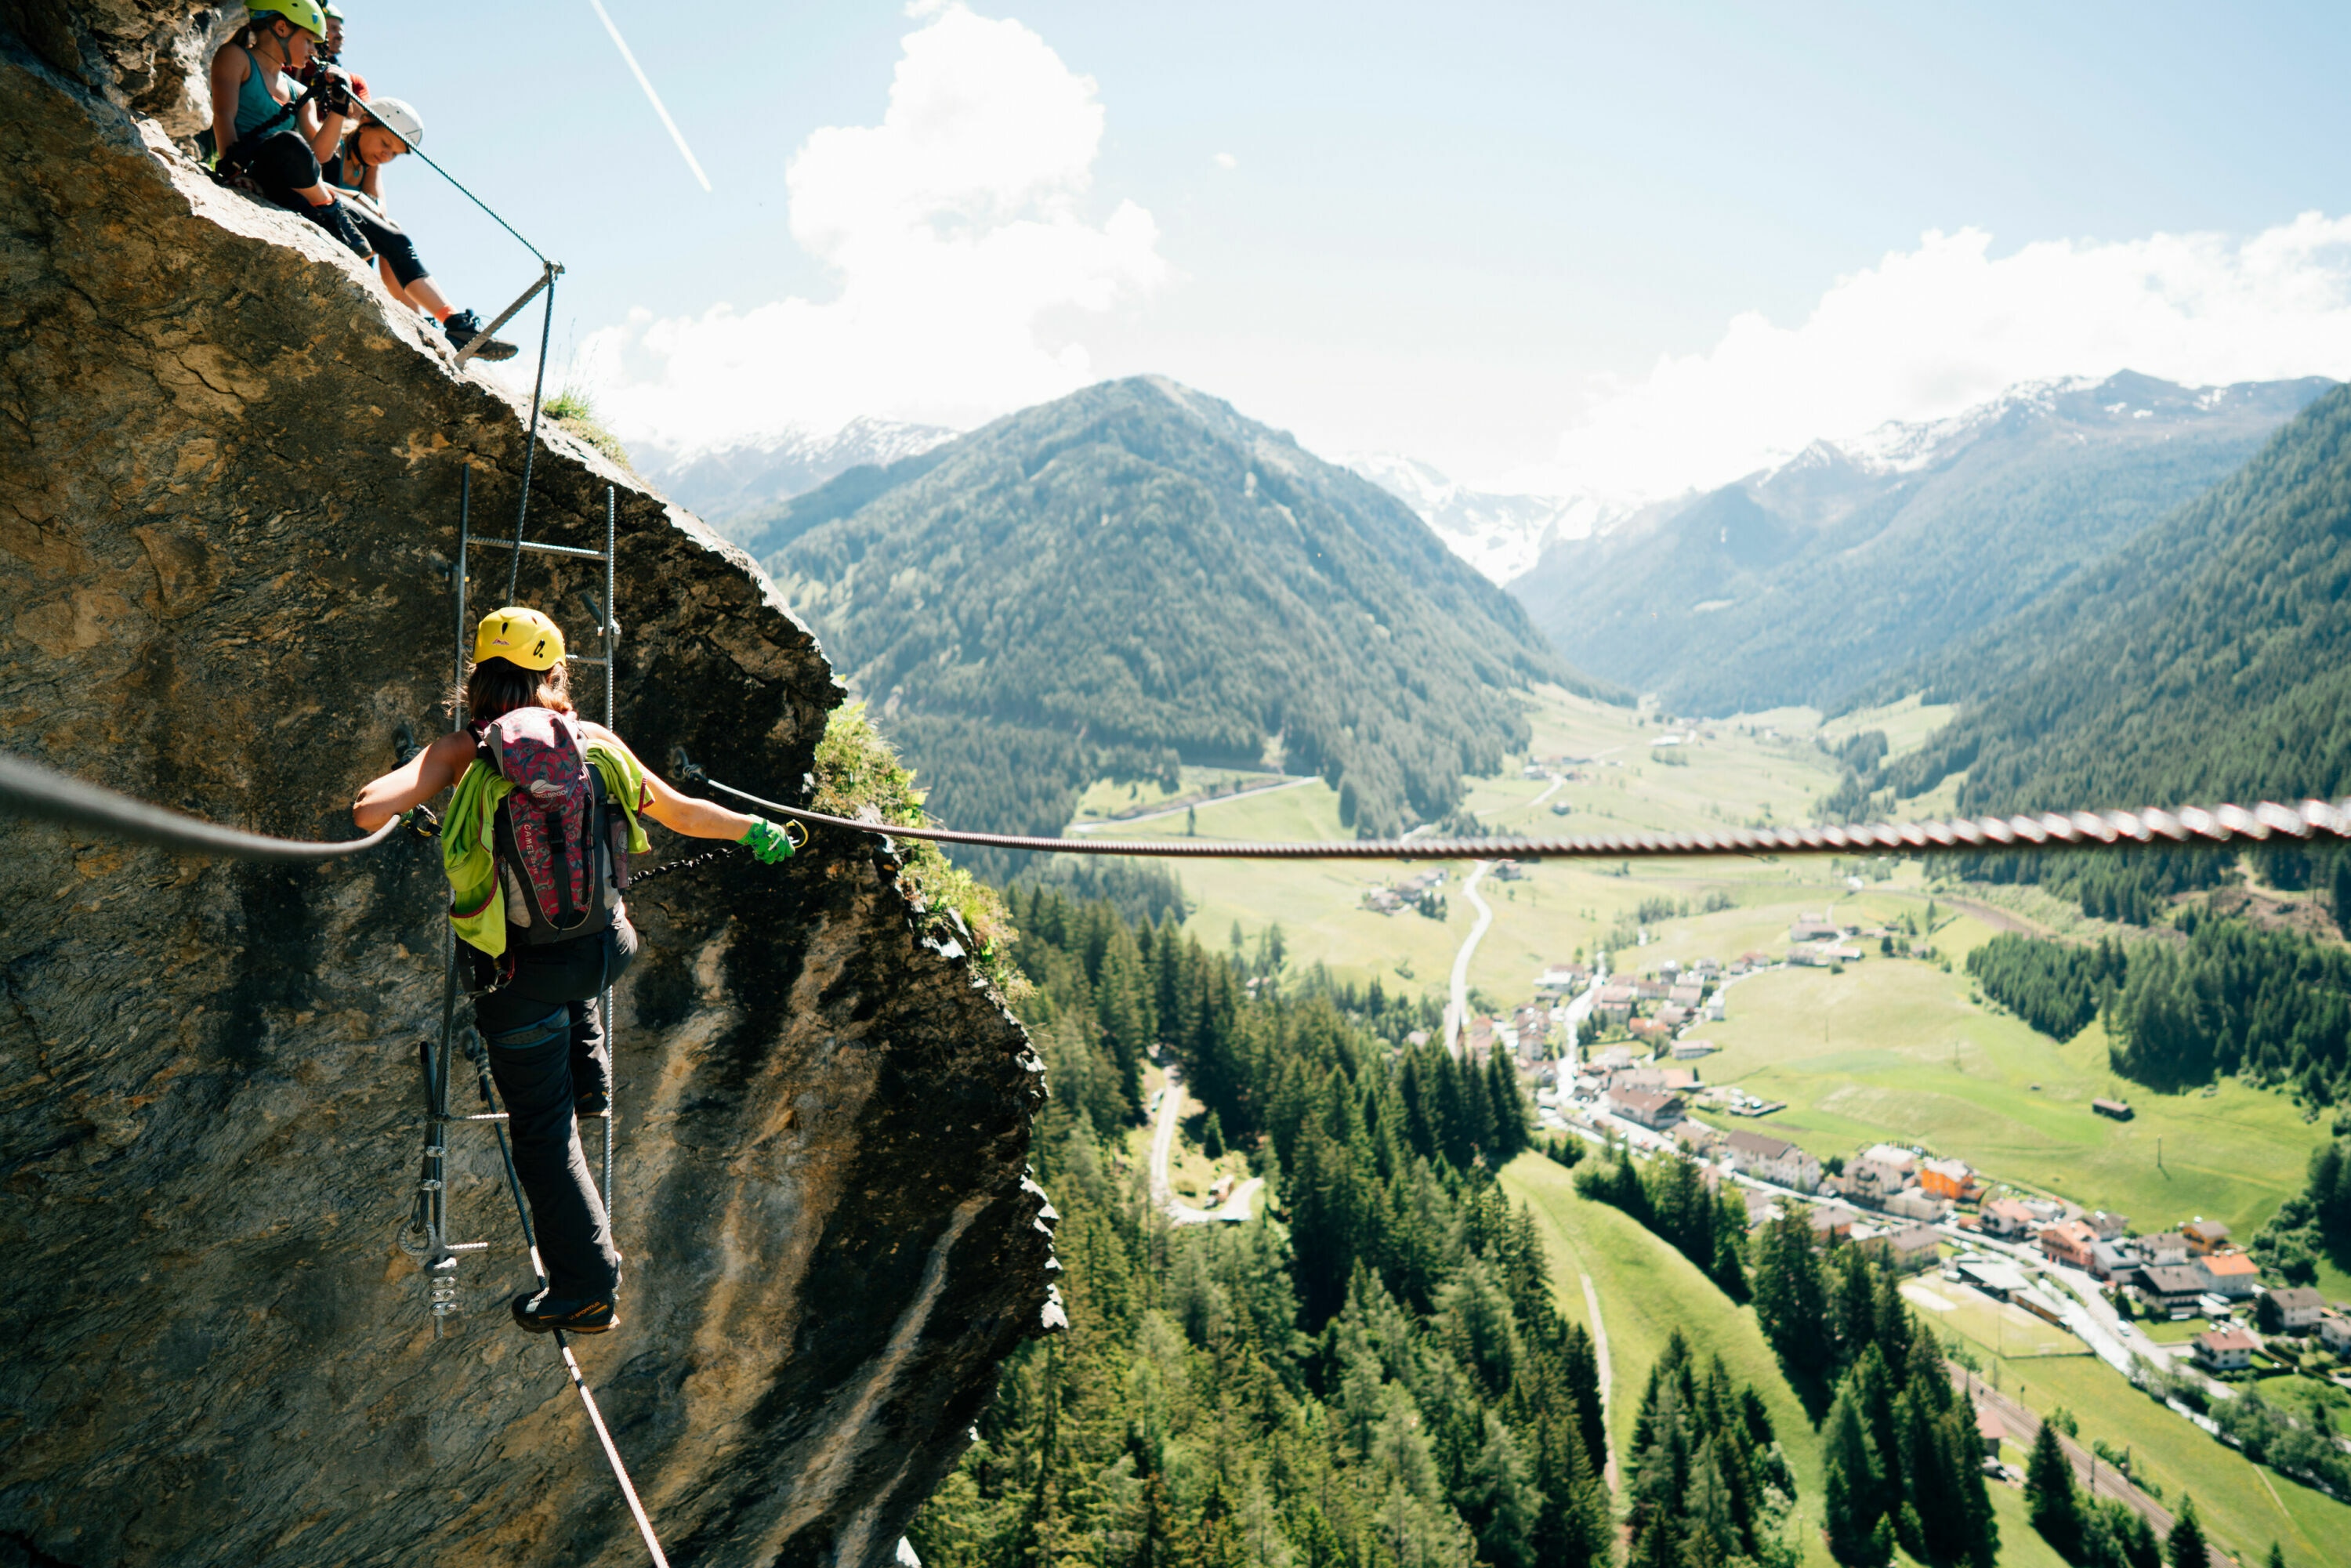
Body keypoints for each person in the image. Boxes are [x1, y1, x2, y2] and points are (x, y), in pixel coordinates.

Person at [353, 607, 799, 1334]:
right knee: (573, 970)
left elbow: (369, 810)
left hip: (520, 982)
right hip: (605, 953)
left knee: (541, 1132)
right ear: (553, 677)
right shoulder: (594, 744)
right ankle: (589, 1078)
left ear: (478, 681)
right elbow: (682, 812)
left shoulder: (466, 751)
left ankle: (587, 1286)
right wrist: (757, 830)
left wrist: (430, 784)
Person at [321, 98, 517, 360]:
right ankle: (451, 323)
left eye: (394, 154)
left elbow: (379, 213)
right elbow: (306, 176)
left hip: (353, 237)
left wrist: (366, 200)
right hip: (328, 222)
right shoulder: (333, 145)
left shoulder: (370, 164)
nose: (386, 155)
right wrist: (357, 198)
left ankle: (422, 324)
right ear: (365, 124)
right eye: (385, 144)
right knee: (393, 238)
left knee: (392, 230)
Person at [206, 0, 371, 259]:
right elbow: (223, 116)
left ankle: (330, 210)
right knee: (288, 141)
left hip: (284, 183)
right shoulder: (236, 57)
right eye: (308, 40)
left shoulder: (299, 90)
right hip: (250, 167)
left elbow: (320, 154)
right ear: (281, 28)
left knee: (388, 235)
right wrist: (232, 171)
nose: (312, 51)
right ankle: (331, 210)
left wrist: (340, 106)